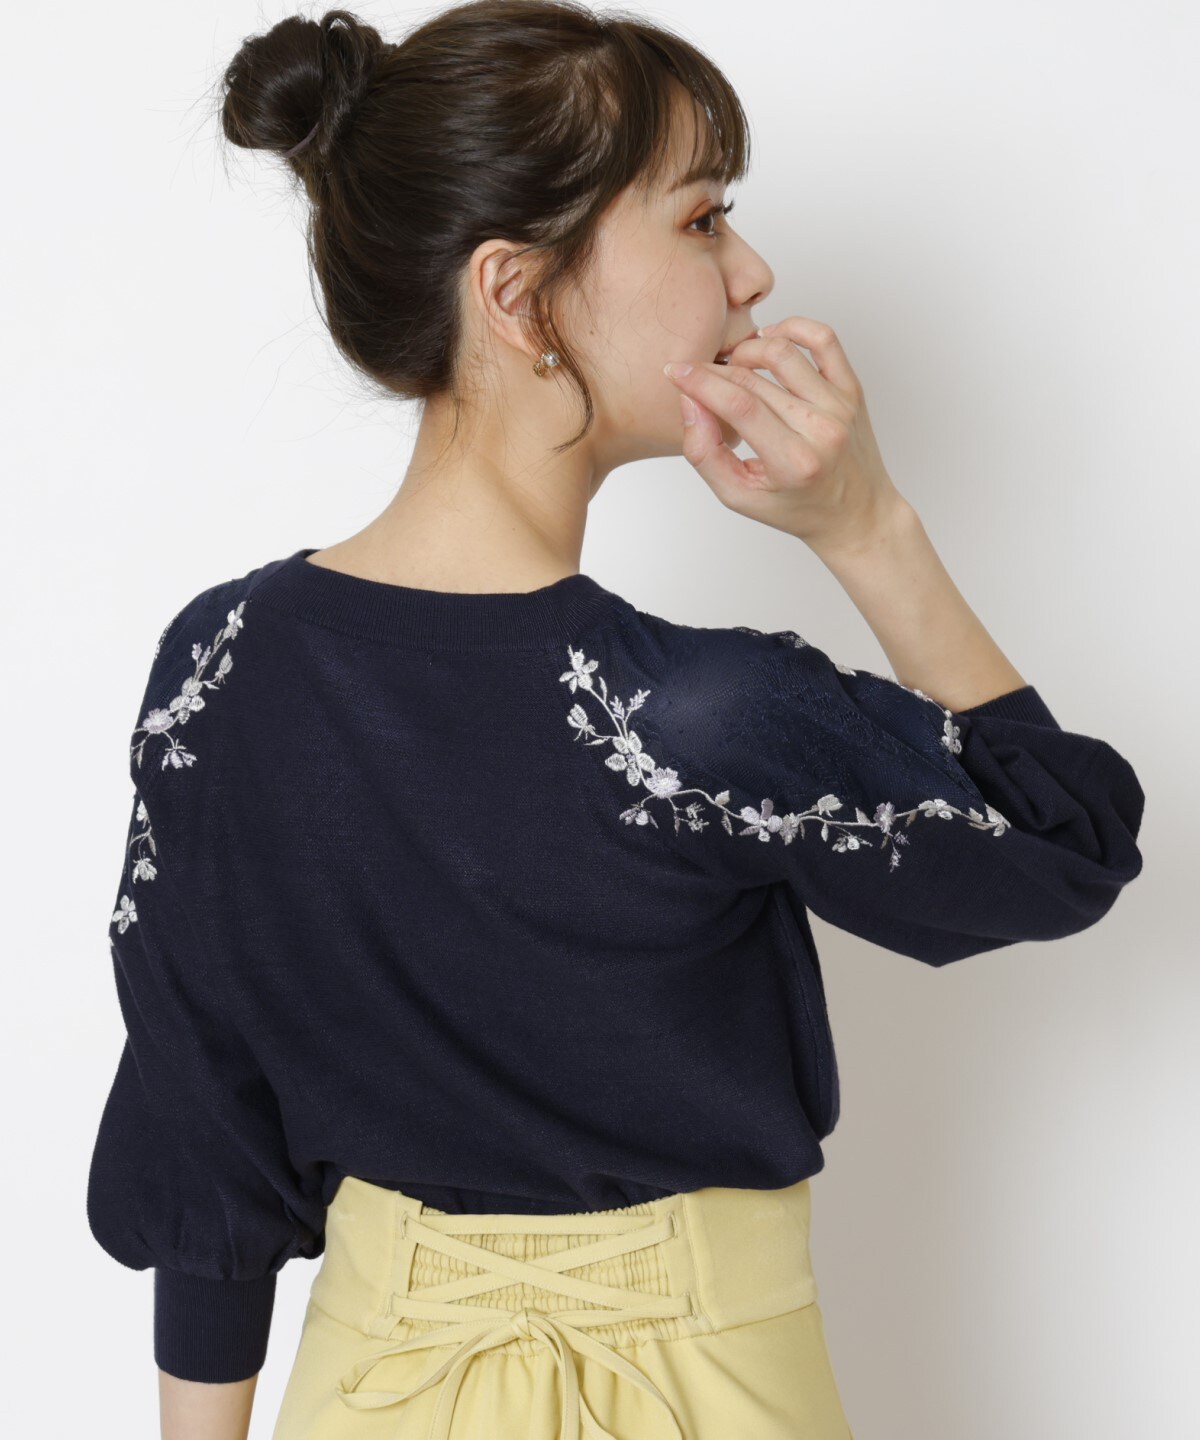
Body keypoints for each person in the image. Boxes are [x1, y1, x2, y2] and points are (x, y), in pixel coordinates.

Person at [85, 3, 1147, 1438]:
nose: (753, 271)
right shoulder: (698, 715)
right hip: (708, 1393)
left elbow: (204, 1143)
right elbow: (1062, 843)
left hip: (371, 1392)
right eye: (703, 219)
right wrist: (868, 526)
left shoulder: (218, 669)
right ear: (519, 296)